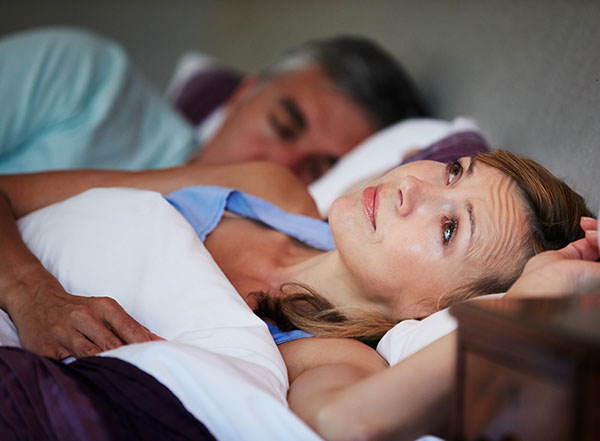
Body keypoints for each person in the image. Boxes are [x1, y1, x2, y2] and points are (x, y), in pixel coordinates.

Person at [0, 149, 597, 439]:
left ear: (438, 310)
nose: (410, 189)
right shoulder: (265, 188)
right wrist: (31, 294)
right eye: (454, 171)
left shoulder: (334, 357)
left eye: (448, 229)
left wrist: (530, 311)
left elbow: (345, 422)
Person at [0, 27, 428, 183]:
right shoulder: (83, 75)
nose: (279, 167)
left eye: (317, 171)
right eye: (282, 125)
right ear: (243, 94)